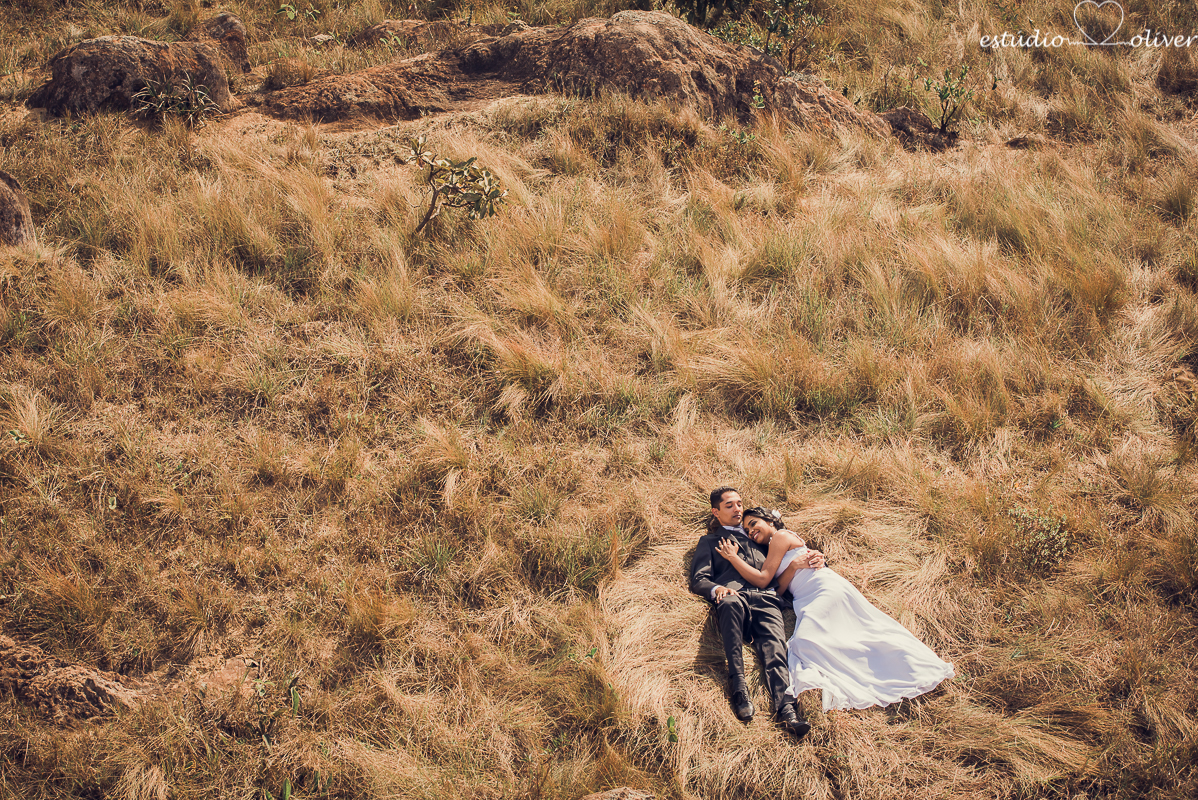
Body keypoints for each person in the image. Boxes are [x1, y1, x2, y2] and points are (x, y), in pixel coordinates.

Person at [715, 507, 955, 712]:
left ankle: (894, 667)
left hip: (823, 587)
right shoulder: (770, 550)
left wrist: (733, 558)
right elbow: (777, 590)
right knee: (849, 634)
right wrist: (793, 568)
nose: (750, 531)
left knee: (806, 640)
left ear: (770, 521)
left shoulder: (780, 537)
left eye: (754, 524)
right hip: (804, 597)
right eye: (746, 530)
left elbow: (763, 580)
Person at [688, 487, 825, 738]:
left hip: (766, 599)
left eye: (739, 503)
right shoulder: (709, 541)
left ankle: (787, 709)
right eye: (729, 505)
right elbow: (699, 579)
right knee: (728, 604)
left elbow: (787, 560)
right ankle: (739, 688)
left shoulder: (760, 539)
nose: (737, 509)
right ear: (715, 512)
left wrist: (813, 557)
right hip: (733, 596)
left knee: (775, 646)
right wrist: (718, 589)